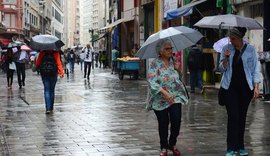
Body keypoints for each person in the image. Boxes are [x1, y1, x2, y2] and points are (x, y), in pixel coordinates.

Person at [218, 27, 260, 156]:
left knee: (242, 117)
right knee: (233, 117)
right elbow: (221, 69)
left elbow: (255, 69)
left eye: (234, 39)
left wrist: (256, 87)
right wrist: (225, 59)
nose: (231, 41)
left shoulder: (251, 50)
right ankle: (230, 147)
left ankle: (240, 146)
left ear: (240, 38)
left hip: (245, 89)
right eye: (230, 38)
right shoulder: (226, 48)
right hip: (229, 88)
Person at [146, 39, 189, 156]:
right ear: (160, 51)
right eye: (167, 49)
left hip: (175, 97)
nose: (171, 51)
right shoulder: (155, 64)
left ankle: (172, 143)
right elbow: (152, 81)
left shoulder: (173, 61)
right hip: (160, 99)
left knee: (176, 120)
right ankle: (163, 147)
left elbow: (178, 78)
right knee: (163, 123)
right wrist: (165, 93)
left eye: (171, 48)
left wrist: (178, 69)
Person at [36, 49, 64, 114]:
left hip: (44, 74)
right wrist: (61, 72)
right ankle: (51, 107)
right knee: (52, 90)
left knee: (46, 90)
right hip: (53, 74)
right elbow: (58, 63)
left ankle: (47, 108)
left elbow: (38, 63)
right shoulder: (56, 53)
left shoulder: (42, 52)